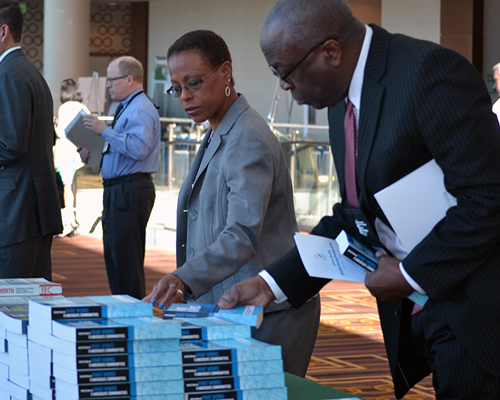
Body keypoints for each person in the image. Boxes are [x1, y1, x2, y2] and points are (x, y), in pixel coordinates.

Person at [218, 0, 500, 398]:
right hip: (420, 308)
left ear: (330, 52)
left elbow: (488, 198)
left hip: (477, 312)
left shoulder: (429, 73)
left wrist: (408, 275)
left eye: (285, 71)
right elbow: (354, 217)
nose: (283, 85)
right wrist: (270, 284)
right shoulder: (339, 98)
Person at [143, 30, 320, 377]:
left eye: (193, 82)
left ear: (225, 72)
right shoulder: (219, 128)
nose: (185, 96)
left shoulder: (247, 137)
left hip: (267, 313)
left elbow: (240, 232)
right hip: (232, 309)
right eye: (177, 88)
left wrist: (183, 278)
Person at [80, 56, 160, 299]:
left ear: (130, 79)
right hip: (121, 188)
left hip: (130, 189)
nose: (108, 85)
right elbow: (123, 148)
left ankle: (132, 317)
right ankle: (124, 312)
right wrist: (95, 152)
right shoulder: (127, 106)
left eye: (112, 79)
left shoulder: (140, 108)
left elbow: (138, 148)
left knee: (126, 261)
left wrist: (104, 131)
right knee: (117, 257)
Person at [0, 0, 62, 277]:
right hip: (32, 208)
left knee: (11, 305)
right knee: (33, 302)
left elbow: (11, 144)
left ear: (3, 32)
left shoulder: (7, 74)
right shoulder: (30, 71)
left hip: (16, 211)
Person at [54, 78, 88, 237]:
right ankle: (72, 219)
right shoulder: (82, 107)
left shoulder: (64, 108)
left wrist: (54, 125)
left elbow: (62, 133)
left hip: (65, 153)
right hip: (78, 152)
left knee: (66, 188)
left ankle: (68, 222)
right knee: (71, 187)